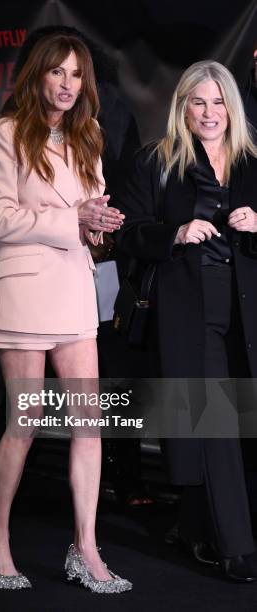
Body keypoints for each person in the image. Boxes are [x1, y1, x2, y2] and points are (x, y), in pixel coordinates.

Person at [0, 33, 132, 594]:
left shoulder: (88, 137)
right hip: (22, 295)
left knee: (89, 426)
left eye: (76, 75)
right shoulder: (4, 134)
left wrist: (98, 228)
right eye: (58, 73)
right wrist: (74, 219)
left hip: (73, 292)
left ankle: (85, 549)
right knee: (26, 423)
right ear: (38, 75)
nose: (68, 85)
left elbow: (87, 222)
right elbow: (0, 220)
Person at [116, 60, 257, 583]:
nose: (209, 112)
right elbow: (128, 233)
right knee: (215, 421)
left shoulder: (251, 162)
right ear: (183, 107)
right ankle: (236, 547)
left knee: (238, 423)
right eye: (198, 101)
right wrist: (175, 233)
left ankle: (195, 527)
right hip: (189, 310)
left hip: (247, 312)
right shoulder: (157, 161)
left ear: (232, 108)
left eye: (218, 101)